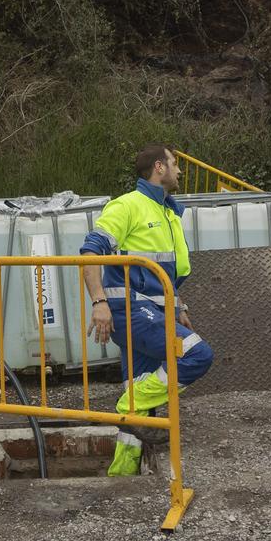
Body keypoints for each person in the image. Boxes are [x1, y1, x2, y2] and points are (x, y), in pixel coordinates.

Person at [78, 144, 215, 475]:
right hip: (130, 309)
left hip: (155, 310)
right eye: (174, 164)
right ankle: (129, 404)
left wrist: (177, 303)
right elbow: (90, 253)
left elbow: (165, 271)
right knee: (198, 355)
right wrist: (99, 303)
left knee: (142, 391)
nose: (180, 171)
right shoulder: (127, 206)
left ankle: (121, 473)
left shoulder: (168, 212)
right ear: (159, 167)